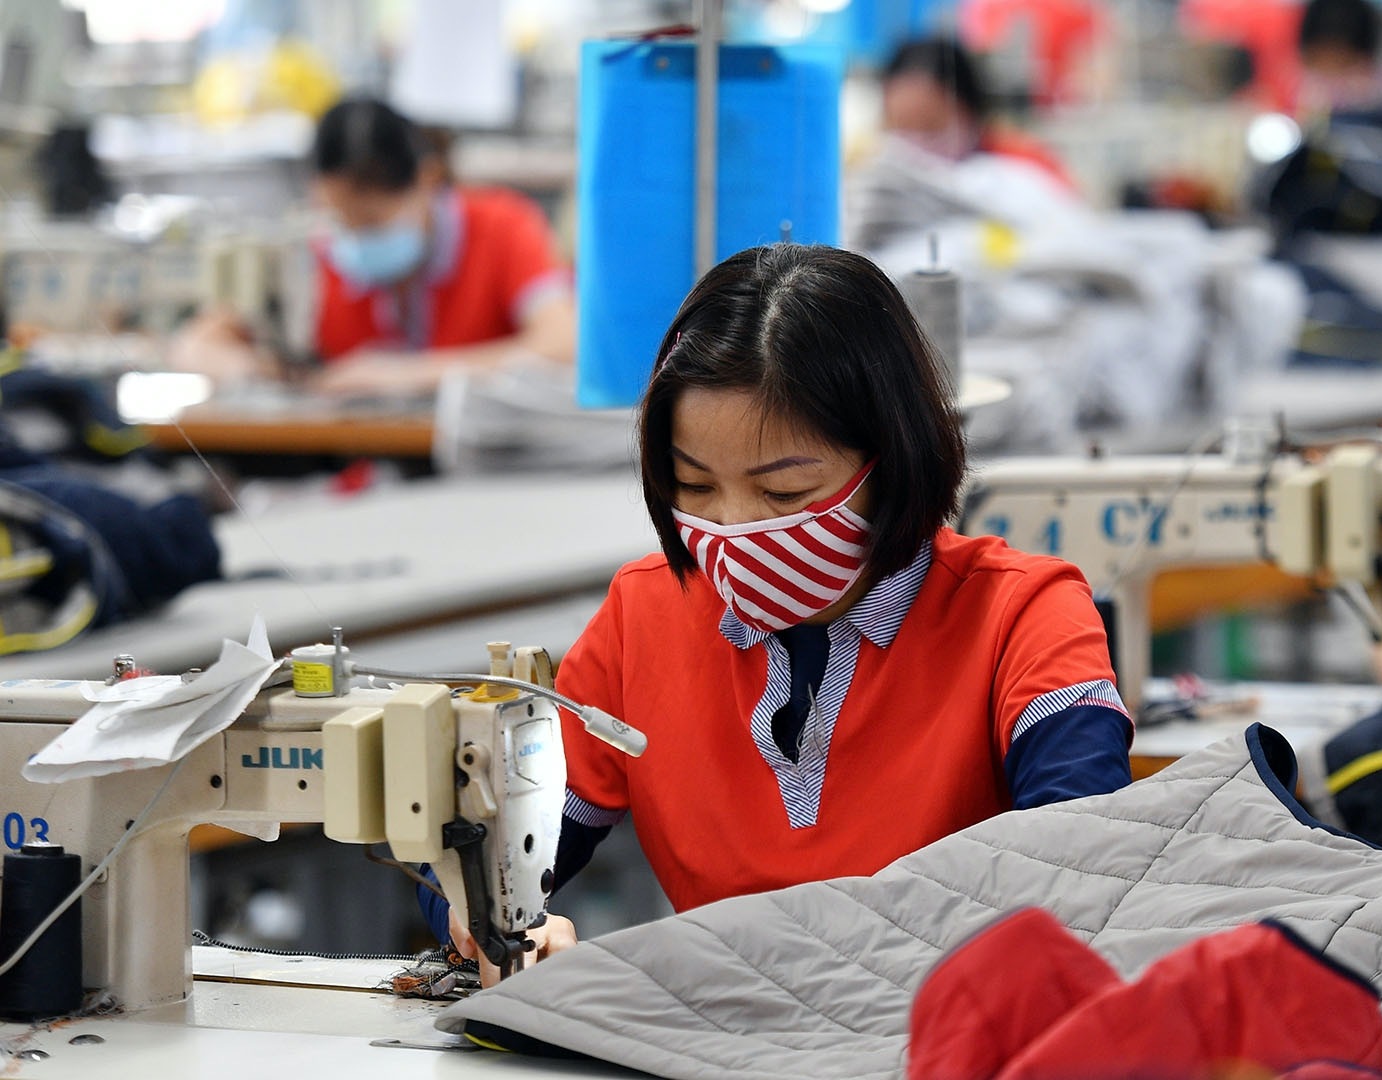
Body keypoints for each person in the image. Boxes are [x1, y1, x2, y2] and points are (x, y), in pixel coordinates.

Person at [441, 244, 1134, 978]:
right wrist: (495, 918)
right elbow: (491, 860)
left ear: (893, 459)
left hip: (943, 1016)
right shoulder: (644, 616)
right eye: (695, 487)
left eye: (784, 493)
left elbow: (1083, 866)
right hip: (722, 1021)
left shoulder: (1022, 614)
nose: (734, 527)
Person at [173, 97, 573, 398]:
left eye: (371, 221)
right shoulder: (314, 253)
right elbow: (196, 345)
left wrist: (409, 374)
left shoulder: (504, 227)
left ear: (428, 179)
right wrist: (253, 372)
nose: (353, 237)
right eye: (340, 220)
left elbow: (564, 345)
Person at [878, 37, 1076, 193]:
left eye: (929, 125)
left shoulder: (1025, 165)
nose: (915, 141)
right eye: (901, 127)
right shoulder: (879, 171)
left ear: (967, 110)